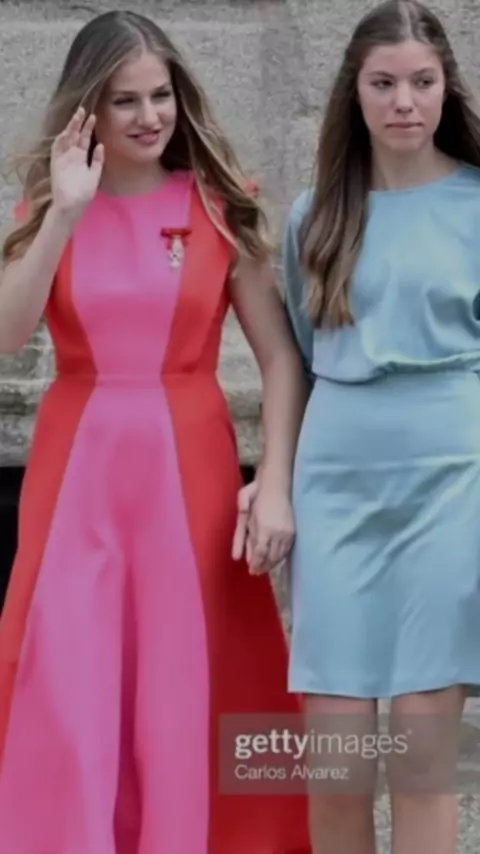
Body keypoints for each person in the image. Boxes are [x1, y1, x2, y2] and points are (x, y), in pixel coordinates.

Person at [0, 10, 311, 854]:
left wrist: (275, 483)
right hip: (76, 476)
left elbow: (281, 359)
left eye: (161, 95)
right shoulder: (52, 207)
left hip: (191, 470)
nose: (149, 116)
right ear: (87, 110)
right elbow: (9, 333)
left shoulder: (219, 204)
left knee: (188, 679)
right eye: (125, 100)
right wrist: (63, 214)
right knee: (66, 676)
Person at [241, 1, 480, 852]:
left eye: (422, 81)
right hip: (337, 488)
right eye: (384, 83)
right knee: (336, 763)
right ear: (356, 92)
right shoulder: (317, 215)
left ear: (447, 88)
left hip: (454, 483)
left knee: (420, 761)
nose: (404, 102)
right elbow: (298, 366)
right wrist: (272, 484)